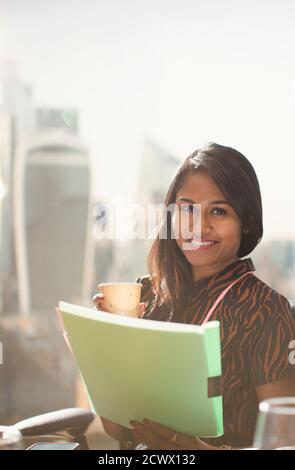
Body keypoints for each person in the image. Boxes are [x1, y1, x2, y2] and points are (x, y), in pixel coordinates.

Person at [93, 142, 295, 450]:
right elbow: (119, 429)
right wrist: (104, 345)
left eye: (218, 211)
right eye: (187, 208)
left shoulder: (266, 309)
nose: (199, 226)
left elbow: (285, 443)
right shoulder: (146, 294)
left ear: (247, 222)